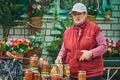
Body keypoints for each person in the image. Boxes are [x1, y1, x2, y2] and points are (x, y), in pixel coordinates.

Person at [55, 3, 107, 80]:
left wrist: (91, 53)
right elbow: (64, 49)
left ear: (85, 14)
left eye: (79, 13)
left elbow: (103, 46)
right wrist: (59, 57)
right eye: (74, 14)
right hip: (73, 74)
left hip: (92, 74)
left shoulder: (94, 29)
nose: (77, 16)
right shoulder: (67, 32)